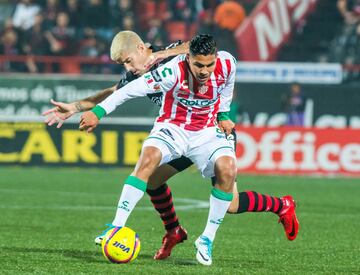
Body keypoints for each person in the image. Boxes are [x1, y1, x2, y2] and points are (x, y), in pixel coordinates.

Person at [43, 31, 299, 262]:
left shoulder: (174, 57)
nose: (128, 68)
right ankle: (173, 231)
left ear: (142, 49)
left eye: (129, 61)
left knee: (230, 204)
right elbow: (119, 91)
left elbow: (196, 45)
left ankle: (282, 205)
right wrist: (76, 107)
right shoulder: (138, 74)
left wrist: (166, 55)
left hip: (208, 132)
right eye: (123, 64)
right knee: (151, 179)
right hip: (177, 131)